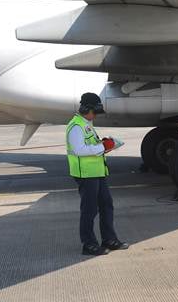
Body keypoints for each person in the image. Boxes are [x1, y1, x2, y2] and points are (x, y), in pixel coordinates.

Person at [66, 92, 129, 255]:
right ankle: (89, 244)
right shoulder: (75, 127)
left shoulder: (87, 124)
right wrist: (103, 147)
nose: (95, 115)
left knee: (106, 205)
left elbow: (92, 146)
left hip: (97, 172)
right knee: (90, 210)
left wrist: (105, 144)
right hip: (86, 174)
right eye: (94, 112)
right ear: (86, 109)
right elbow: (79, 150)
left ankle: (109, 239)